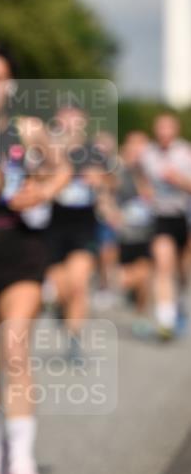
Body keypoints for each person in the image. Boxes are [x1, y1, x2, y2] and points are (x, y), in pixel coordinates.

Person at [0, 44, 70, 474]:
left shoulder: (27, 130)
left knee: (15, 350)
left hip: (20, 250)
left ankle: (24, 462)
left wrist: (42, 193)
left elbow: (62, 169)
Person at [45, 105, 112, 357]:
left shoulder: (95, 152)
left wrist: (102, 180)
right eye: (65, 117)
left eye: (76, 118)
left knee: (79, 284)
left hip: (84, 226)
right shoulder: (46, 150)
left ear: (84, 123)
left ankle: (73, 339)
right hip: (53, 226)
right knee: (61, 287)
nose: (70, 123)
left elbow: (111, 182)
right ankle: (61, 310)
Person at [97, 131, 154, 334]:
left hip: (143, 232)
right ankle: (106, 288)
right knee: (122, 276)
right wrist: (112, 214)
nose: (139, 151)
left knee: (146, 275)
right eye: (135, 145)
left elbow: (150, 197)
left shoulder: (145, 170)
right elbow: (104, 193)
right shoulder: (117, 167)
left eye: (143, 146)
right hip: (120, 232)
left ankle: (141, 317)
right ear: (126, 146)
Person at [140, 113, 191, 340]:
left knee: (182, 270)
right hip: (161, 217)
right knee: (163, 265)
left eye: (168, 128)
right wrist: (145, 190)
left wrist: (178, 180)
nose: (164, 133)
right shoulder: (148, 154)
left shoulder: (185, 152)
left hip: (184, 216)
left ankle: (179, 303)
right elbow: (139, 175)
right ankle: (165, 320)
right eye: (160, 128)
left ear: (176, 129)